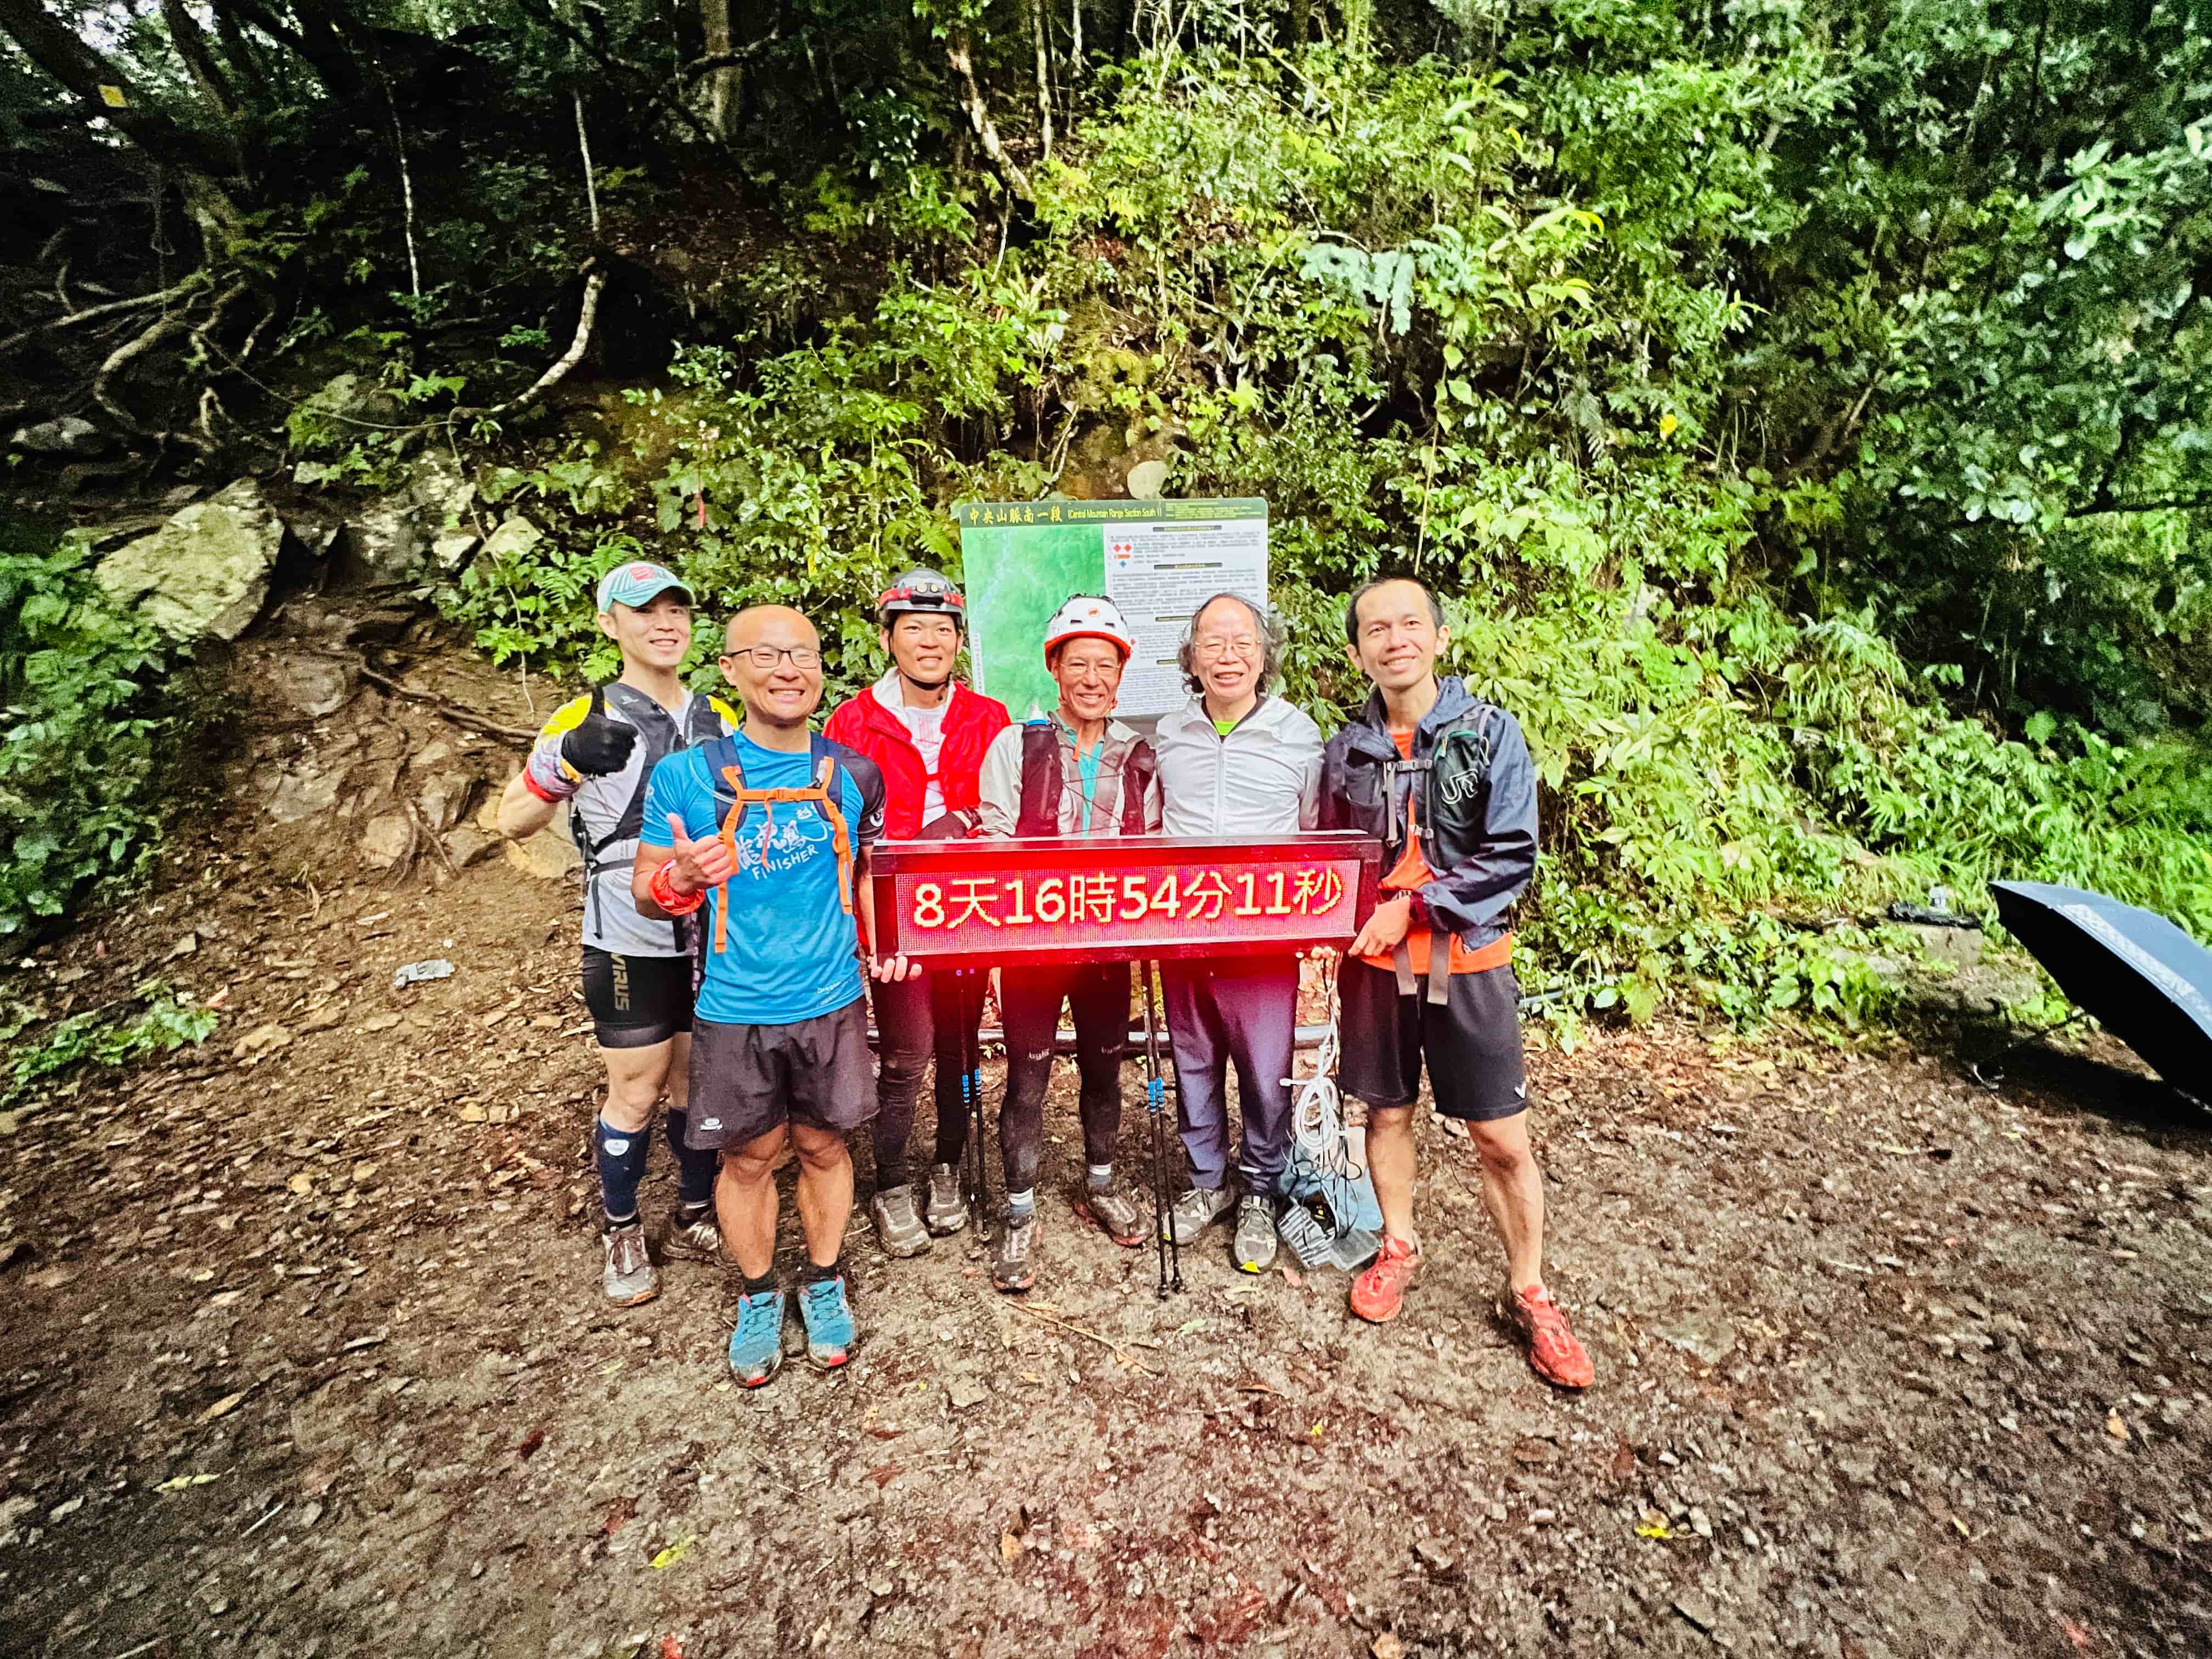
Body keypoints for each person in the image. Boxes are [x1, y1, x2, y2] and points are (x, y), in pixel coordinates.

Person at [1317, 575, 1593, 1390]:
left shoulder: (1490, 734)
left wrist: (1416, 906)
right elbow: (1327, 859)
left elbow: (1511, 853)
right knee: (1387, 1111)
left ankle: (1531, 1289)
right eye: (1376, 629)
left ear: (1438, 639)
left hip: (1469, 961)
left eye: (1410, 625)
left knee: (1501, 1136)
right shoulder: (1344, 750)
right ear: (1358, 650)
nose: (1394, 639)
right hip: (1372, 967)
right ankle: (1396, 1243)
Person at [631, 606, 912, 1388]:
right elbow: (646, 890)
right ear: (730, 669)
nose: (789, 670)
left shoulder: (853, 774)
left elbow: (865, 876)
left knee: (825, 1145)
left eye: (805, 656)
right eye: (768, 655)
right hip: (733, 1004)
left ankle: (824, 1281)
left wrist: (882, 947)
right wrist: (679, 880)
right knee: (748, 1157)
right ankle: (759, 1296)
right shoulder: (686, 777)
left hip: (829, 998)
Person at [495, 561, 736, 1308]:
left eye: (676, 610)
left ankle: (696, 1208)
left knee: (698, 1077)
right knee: (635, 1087)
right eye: (643, 612)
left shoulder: (718, 715)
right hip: (625, 932)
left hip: (709, 929)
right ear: (610, 626)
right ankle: (623, 1226)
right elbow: (510, 821)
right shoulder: (584, 716)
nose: (665, 624)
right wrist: (561, 765)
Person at [974, 594, 1161, 1293]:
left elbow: (1159, 844)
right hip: (1033, 939)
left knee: (1106, 1063)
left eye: (1105, 665)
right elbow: (993, 836)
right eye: (1077, 662)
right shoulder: (1017, 744)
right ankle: (1019, 1206)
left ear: (1121, 675)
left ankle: (1101, 1180)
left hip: (1110, 938)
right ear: (1055, 668)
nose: (1092, 677)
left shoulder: (1139, 755)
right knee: (1027, 1068)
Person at [822, 570, 1009, 1256]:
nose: (929, 642)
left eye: (943, 630)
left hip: (969, 909)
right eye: (914, 628)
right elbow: (839, 837)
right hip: (892, 913)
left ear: (959, 641)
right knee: (907, 1053)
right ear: (887, 637)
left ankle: (948, 1168)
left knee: (962, 1047)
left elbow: (999, 815)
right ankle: (892, 1182)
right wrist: (862, 927)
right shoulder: (853, 723)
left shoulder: (988, 717)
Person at [1152, 592, 1322, 1273]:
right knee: (1191, 1059)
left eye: (1242, 642)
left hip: (1264, 937)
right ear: (1191, 657)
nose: (1228, 656)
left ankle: (1258, 1189)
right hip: (1184, 932)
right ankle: (1205, 1183)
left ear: (1265, 653)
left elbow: (1315, 832)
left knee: (1265, 1066)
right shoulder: (1169, 732)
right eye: (1212, 643)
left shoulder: (1299, 735)